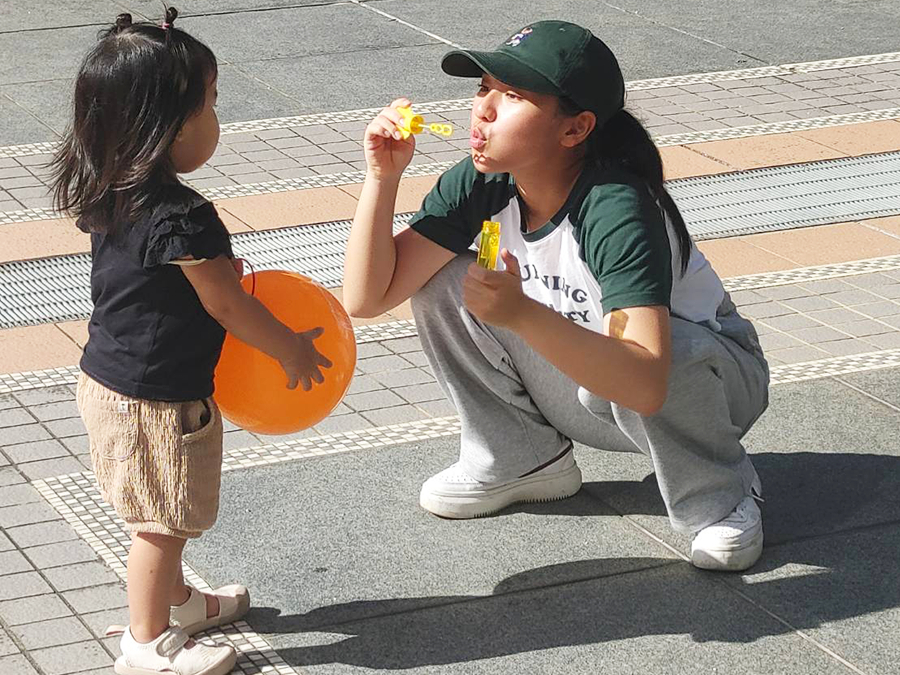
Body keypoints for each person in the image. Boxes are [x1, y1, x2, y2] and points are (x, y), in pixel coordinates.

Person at [343, 20, 769, 572]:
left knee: (672, 351)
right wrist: (381, 178)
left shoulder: (616, 207)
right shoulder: (484, 181)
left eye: (512, 96)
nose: (483, 110)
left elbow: (645, 382)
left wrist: (521, 313)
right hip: (593, 387)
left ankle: (720, 495)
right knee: (442, 282)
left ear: (575, 129)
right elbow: (367, 298)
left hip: (708, 388)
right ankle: (521, 457)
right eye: (484, 88)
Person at [51, 9, 331, 675]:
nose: (217, 118)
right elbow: (228, 303)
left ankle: (177, 603)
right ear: (172, 125)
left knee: (160, 508)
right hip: (156, 400)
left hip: (110, 381)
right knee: (161, 523)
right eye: (212, 102)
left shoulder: (112, 190)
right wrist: (288, 346)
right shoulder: (183, 216)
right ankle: (145, 644)